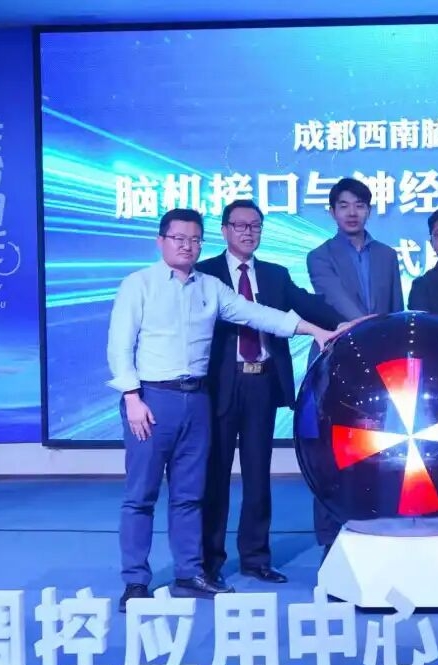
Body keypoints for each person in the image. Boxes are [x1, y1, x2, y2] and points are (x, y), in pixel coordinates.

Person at [107, 208, 339, 611]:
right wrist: (131, 396)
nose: (187, 246)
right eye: (178, 238)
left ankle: (189, 574)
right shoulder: (138, 284)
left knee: (189, 496)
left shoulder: (210, 287)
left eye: (194, 239)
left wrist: (315, 330)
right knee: (141, 496)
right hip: (152, 401)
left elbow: (259, 314)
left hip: (197, 399)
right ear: (161, 241)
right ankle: (135, 582)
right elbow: (119, 344)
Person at [197, 200, 352, 587]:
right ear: (224, 230)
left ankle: (255, 557)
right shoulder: (205, 273)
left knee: (257, 475)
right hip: (220, 385)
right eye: (240, 225)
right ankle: (209, 561)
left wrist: (347, 323)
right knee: (214, 476)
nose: (248, 232)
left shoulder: (275, 274)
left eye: (255, 226)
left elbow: (309, 306)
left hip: (262, 383)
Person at [306, 177, 404, 553]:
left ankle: (376, 525)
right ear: (331, 211)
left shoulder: (387, 255)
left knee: (381, 447)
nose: (352, 212)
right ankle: (330, 539)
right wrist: (370, 327)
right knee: (333, 451)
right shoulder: (319, 256)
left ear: (369, 210)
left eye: (359, 205)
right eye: (344, 205)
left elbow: (396, 307)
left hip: (381, 363)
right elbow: (334, 299)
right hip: (337, 360)